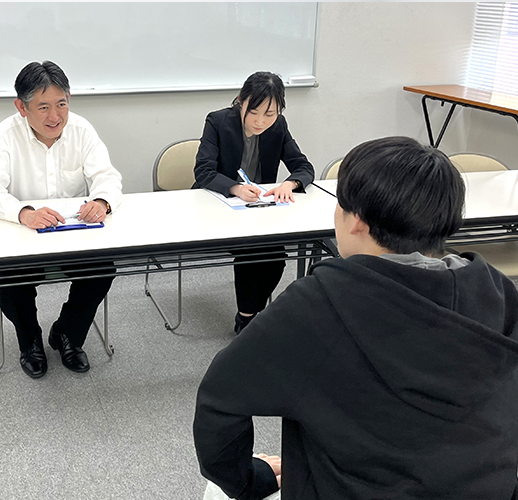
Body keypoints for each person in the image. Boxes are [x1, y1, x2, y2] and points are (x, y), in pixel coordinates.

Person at [193, 136, 518, 500]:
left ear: (357, 221)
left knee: (216, 492)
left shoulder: (316, 306)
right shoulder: (499, 294)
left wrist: (250, 480)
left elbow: (219, 400)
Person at [0, 61, 123, 379]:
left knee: (102, 269)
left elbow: (108, 177)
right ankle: (30, 341)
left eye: (61, 104)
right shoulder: (5, 136)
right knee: (8, 281)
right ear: (22, 107)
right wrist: (24, 213)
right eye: (43, 107)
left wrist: (101, 201)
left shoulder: (81, 130)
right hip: (23, 237)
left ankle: (67, 333)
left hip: (73, 235)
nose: (55, 116)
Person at [193, 71, 315, 334]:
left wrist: (289, 183)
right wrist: (235, 188)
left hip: (258, 210)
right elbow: (203, 171)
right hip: (220, 205)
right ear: (241, 100)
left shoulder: (278, 126)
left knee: (277, 259)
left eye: (270, 114)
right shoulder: (218, 121)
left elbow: (303, 167)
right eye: (254, 112)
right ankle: (247, 320)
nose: (261, 121)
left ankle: (251, 316)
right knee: (251, 253)